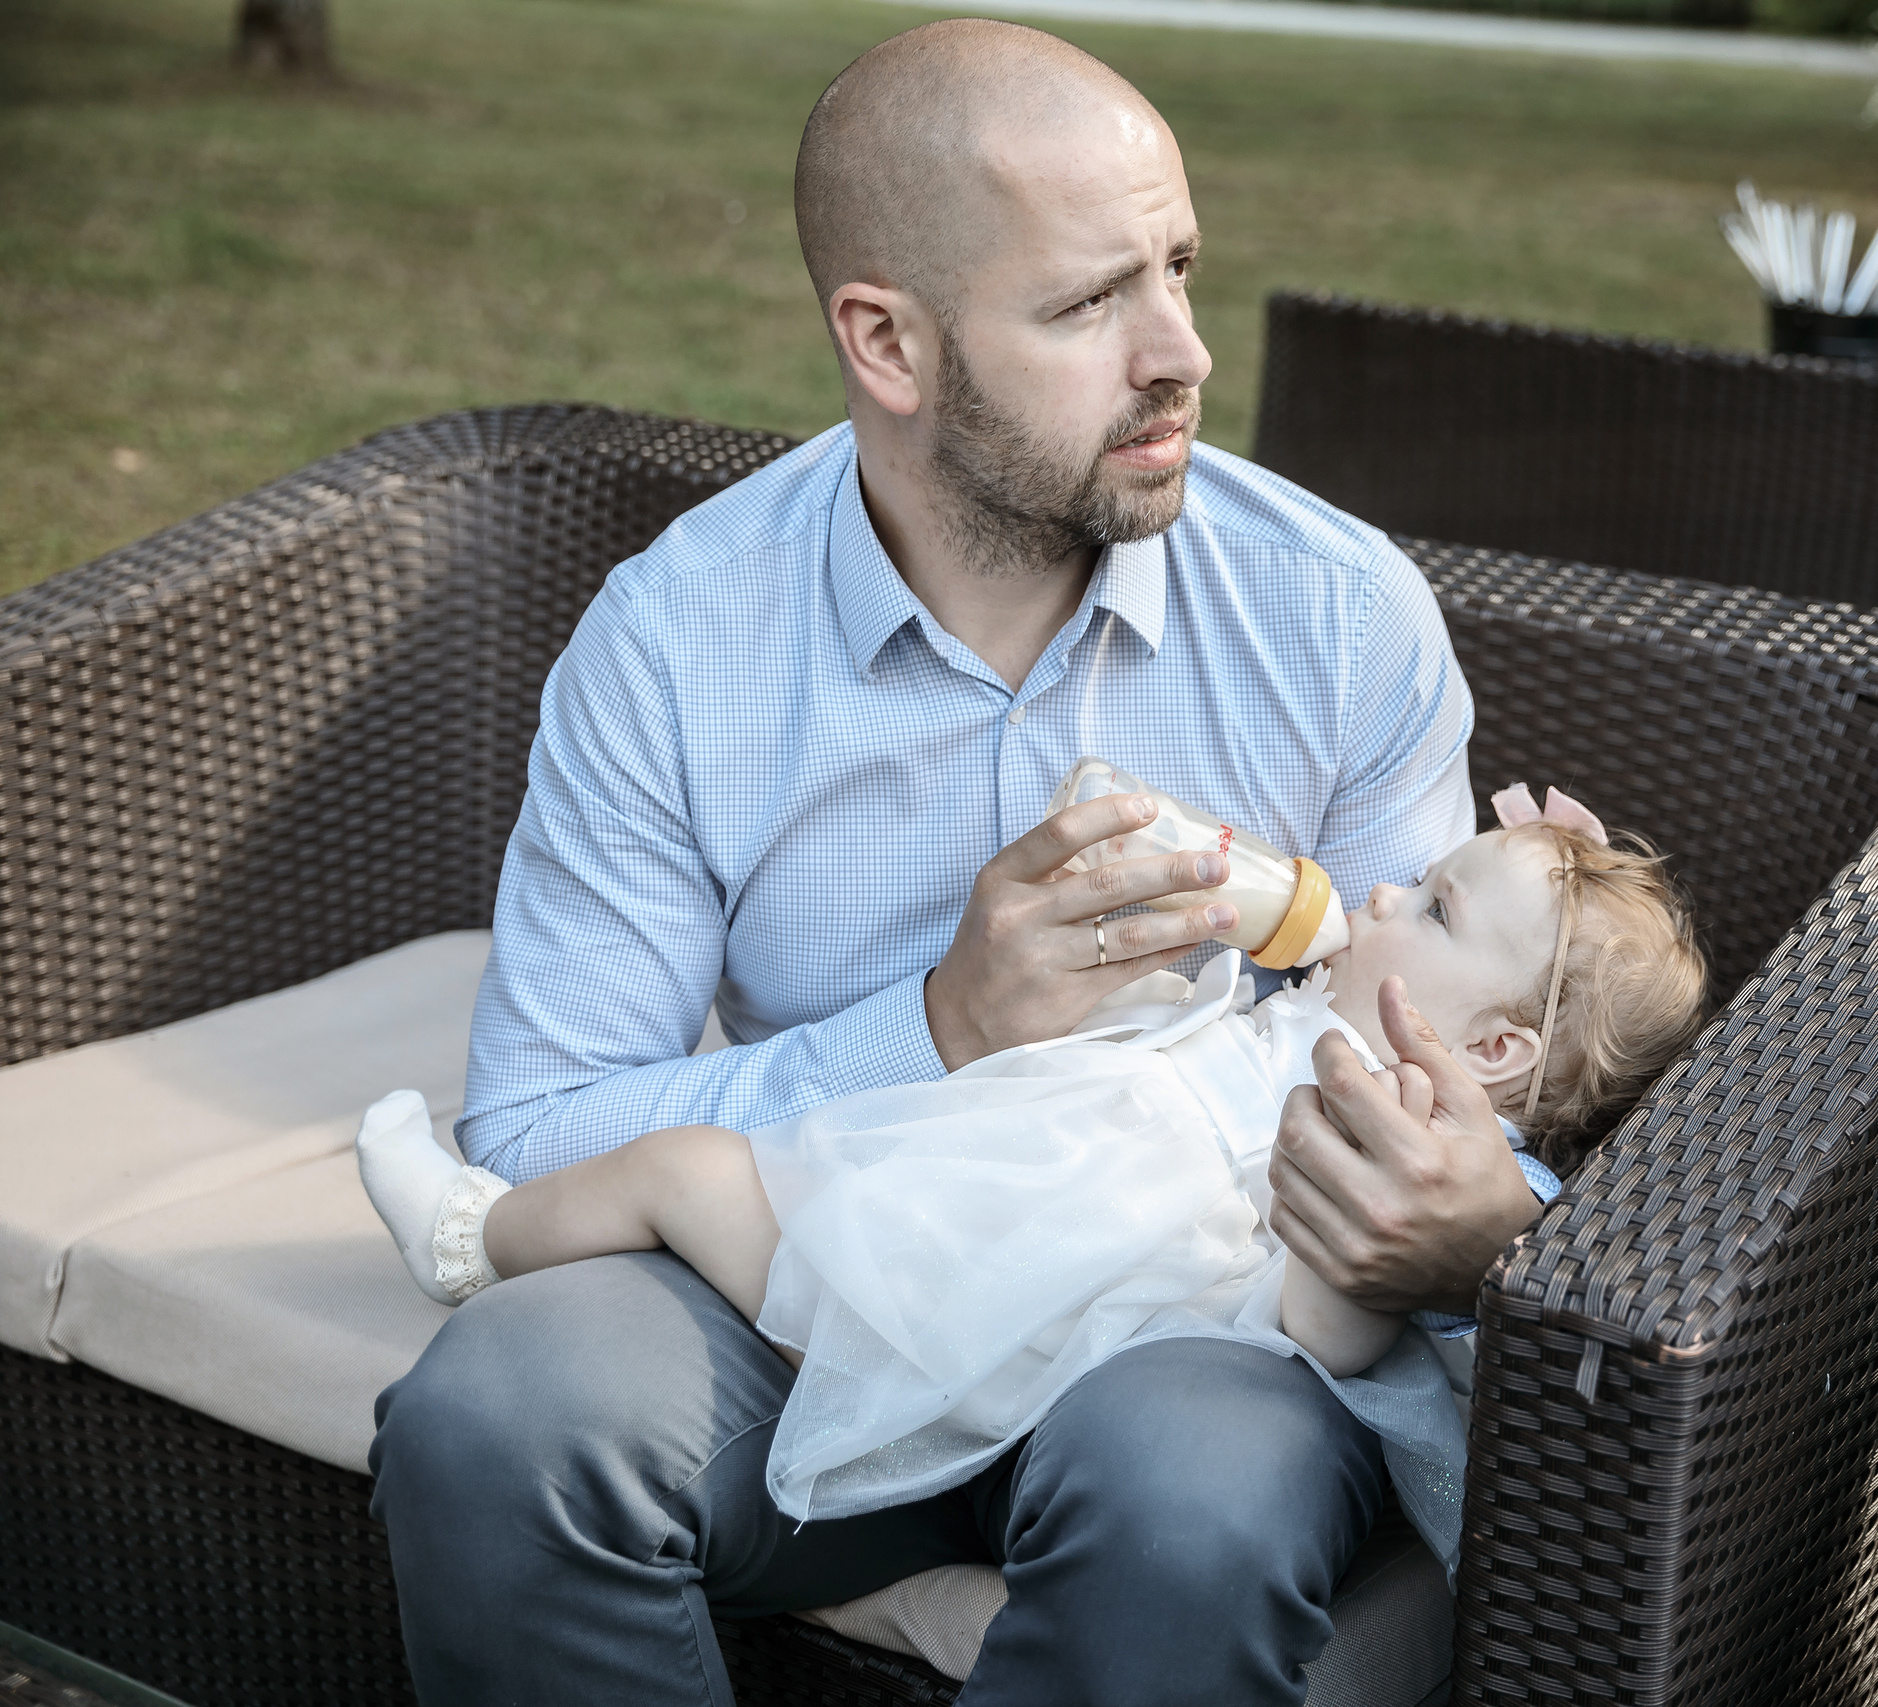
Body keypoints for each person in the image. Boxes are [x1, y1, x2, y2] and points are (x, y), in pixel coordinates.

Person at [364, 20, 1606, 1707]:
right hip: (826, 1280)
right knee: (499, 1417)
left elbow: (1437, 1065)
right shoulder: (678, 645)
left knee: (1191, 1510)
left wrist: (1481, 1215)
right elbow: (536, 1130)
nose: (1181, 353)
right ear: (887, 341)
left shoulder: (1333, 613)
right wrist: (940, 1030)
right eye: (1090, 303)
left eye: (1180, 269)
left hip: (1191, 1322)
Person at [358, 802, 1708, 1563]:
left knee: (682, 1170)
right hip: (1008, 1265)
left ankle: (475, 1237)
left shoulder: (1403, 1133)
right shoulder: (1314, 1018)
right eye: (1415, 877)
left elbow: (1345, 1324)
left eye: (1434, 907)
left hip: (990, 1300)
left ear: (1495, 1050)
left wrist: (1364, 1268)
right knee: (704, 1174)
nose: (1385, 895)